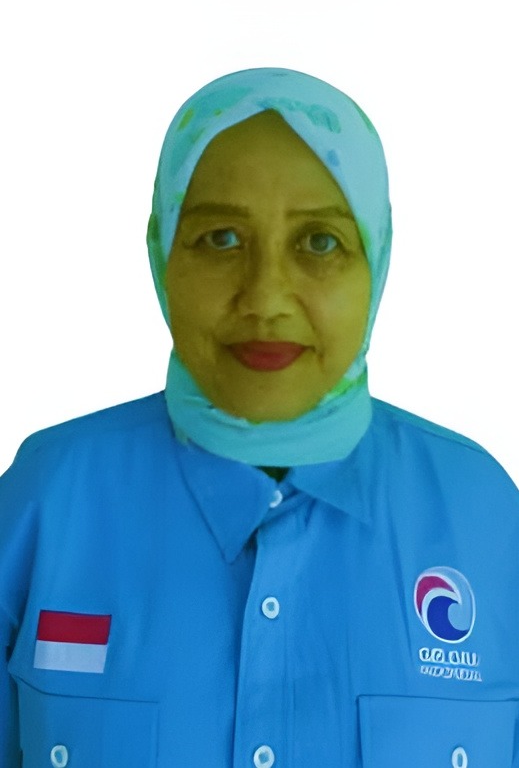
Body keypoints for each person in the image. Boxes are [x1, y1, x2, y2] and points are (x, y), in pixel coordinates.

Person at [1, 67, 518, 768]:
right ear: (161, 253)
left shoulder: (486, 515)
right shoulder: (48, 500)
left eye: (319, 242)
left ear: (376, 257)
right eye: (220, 238)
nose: (266, 297)